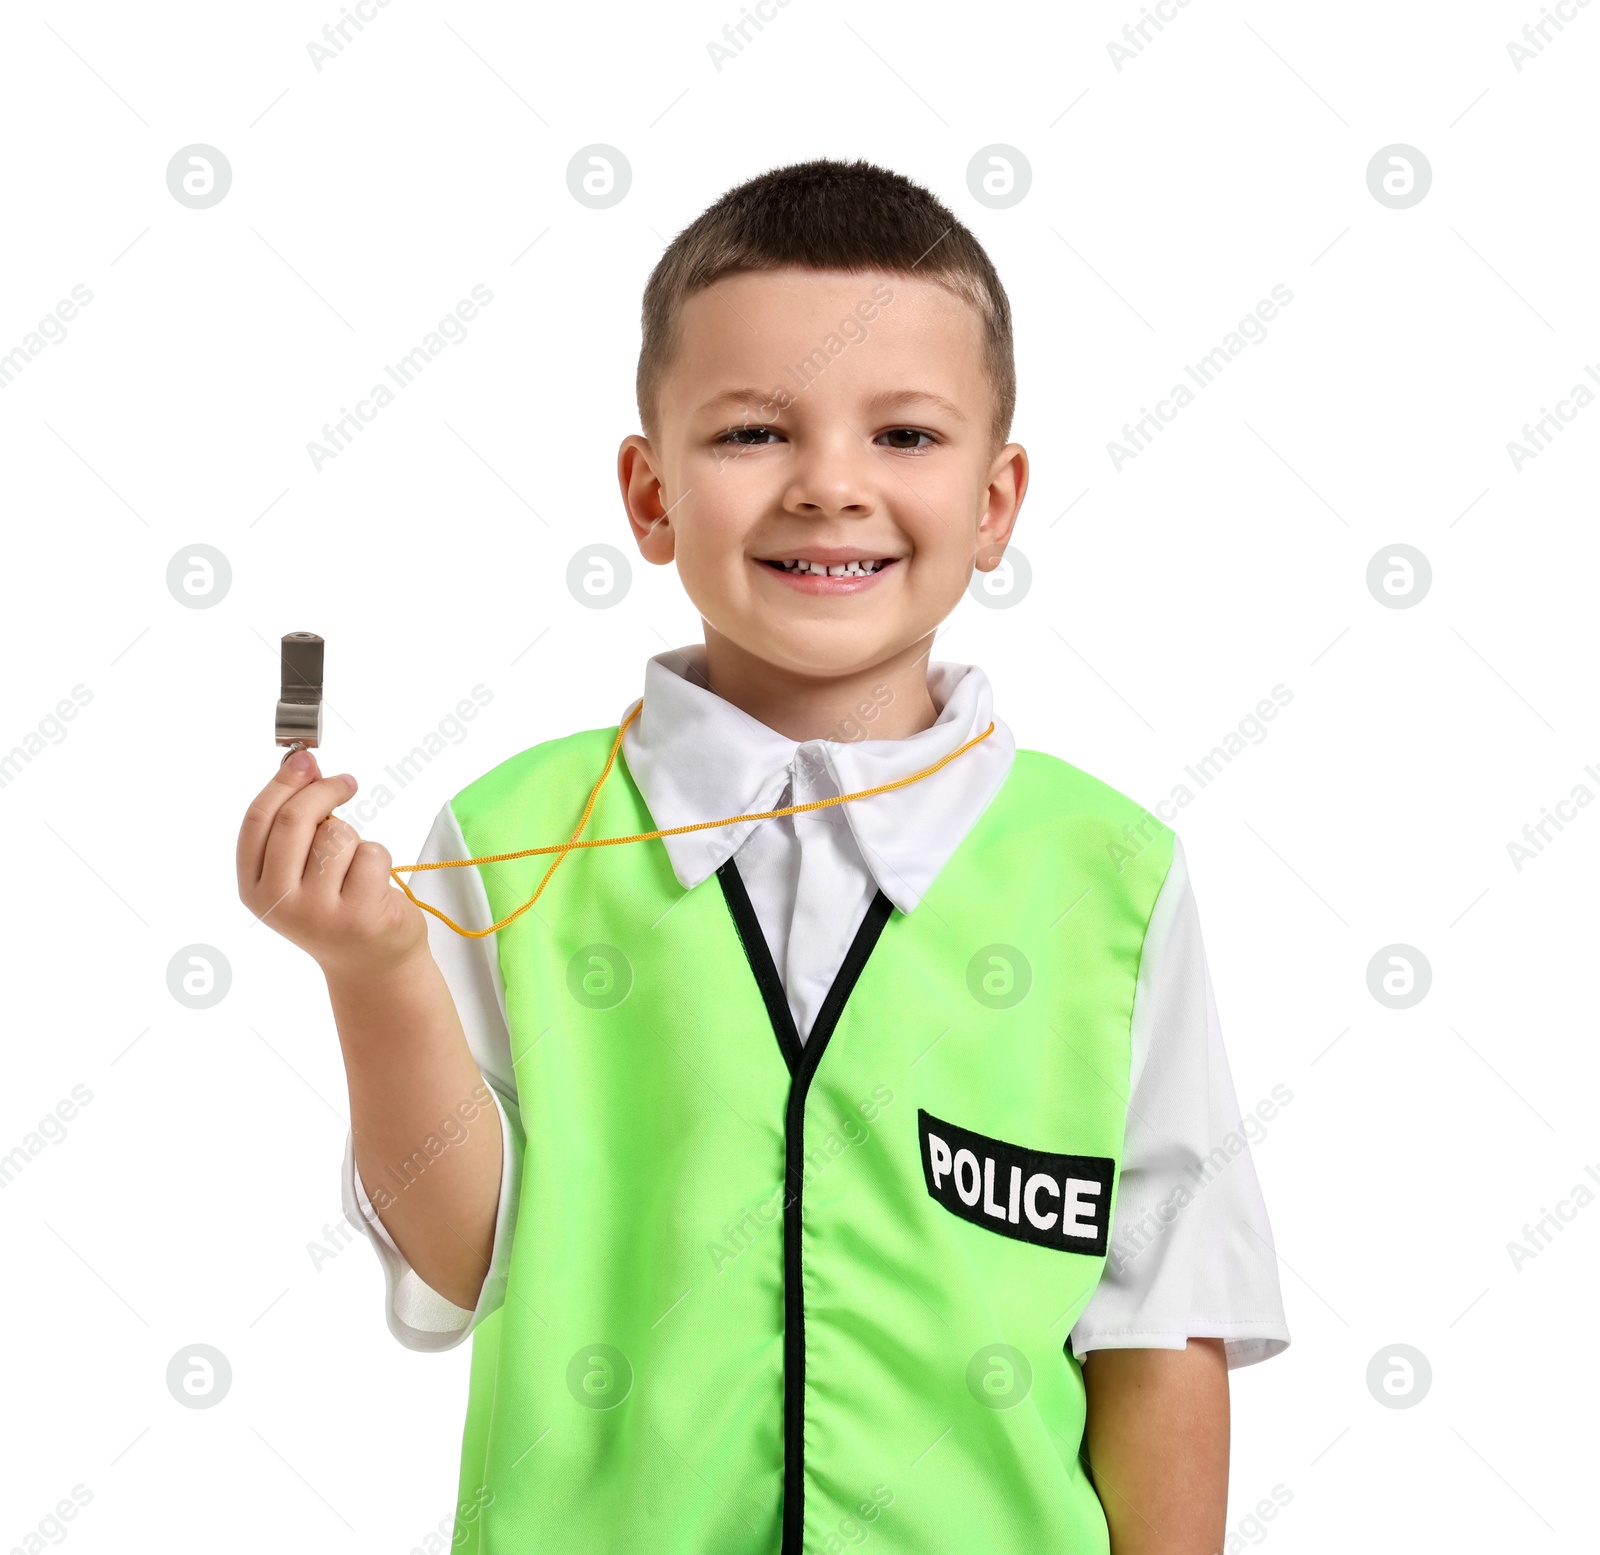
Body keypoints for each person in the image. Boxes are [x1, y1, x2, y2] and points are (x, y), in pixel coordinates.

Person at [237, 157, 1289, 1555]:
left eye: (906, 437)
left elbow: (1160, 1328)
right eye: (752, 435)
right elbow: (463, 1259)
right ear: (651, 494)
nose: (828, 488)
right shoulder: (512, 841)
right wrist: (372, 974)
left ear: (996, 500)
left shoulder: (1108, 877)